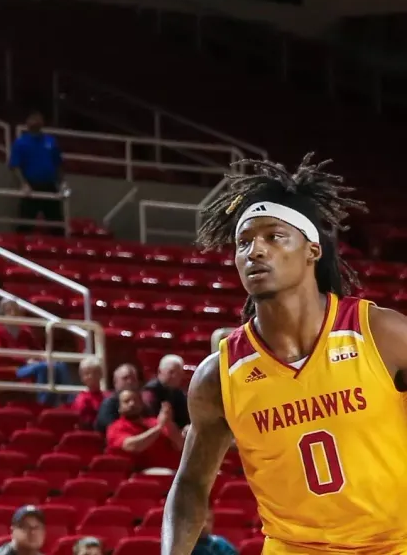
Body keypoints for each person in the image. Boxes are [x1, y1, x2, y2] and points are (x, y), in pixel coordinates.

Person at [163, 155, 407, 554]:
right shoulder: (219, 375)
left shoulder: (381, 334)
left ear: (312, 250)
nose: (254, 251)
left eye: (274, 236)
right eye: (243, 243)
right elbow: (190, 484)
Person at [8, 110, 65, 234]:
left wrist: (62, 183)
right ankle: (19, 250)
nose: (35, 121)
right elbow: (15, 166)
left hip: (50, 186)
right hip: (31, 187)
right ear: (27, 123)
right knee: (24, 225)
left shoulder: (51, 141)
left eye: (37, 118)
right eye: (32, 119)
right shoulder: (20, 143)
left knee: (57, 226)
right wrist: (24, 184)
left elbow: (58, 163)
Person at [106, 390, 183, 474]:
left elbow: (179, 445)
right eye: (126, 401)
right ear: (119, 407)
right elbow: (133, 446)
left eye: (136, 400)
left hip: (175, 472)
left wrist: (169, 423)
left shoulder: (154, 422)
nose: (132, 404)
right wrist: (159, 427)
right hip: (139, 474)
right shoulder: (115, 427)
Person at [143, 354, 190, 429]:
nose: (175, 376)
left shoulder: (178, 393)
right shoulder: (150, 393)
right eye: (171, 372)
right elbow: (150, 421)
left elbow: (184, 419)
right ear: (159, 371)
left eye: (179, 373)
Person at [94, 363, 142, 432]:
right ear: (115, 382)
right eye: (125, 378)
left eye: (133, 378)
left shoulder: (142, 402)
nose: (130, 381)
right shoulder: (109, 405)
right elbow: (112, 430)